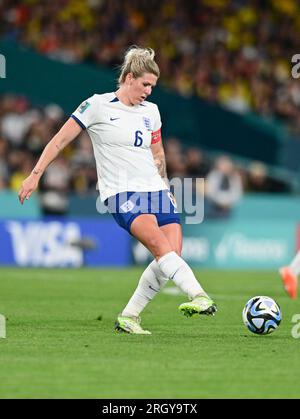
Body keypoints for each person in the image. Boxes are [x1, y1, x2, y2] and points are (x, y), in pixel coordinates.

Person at [18, 46, 217, 334]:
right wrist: (34, 175)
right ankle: (199, 295)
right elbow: (59, 141)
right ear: (128, 77)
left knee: (171, 255)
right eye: (145, 84)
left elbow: (157, 153)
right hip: (122, 193)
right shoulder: (97, 105)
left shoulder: (152, 111)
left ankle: (129, 317)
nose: (148, 91)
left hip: (155, 189)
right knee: (161, 248)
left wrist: (165, 185)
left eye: (152, 86)